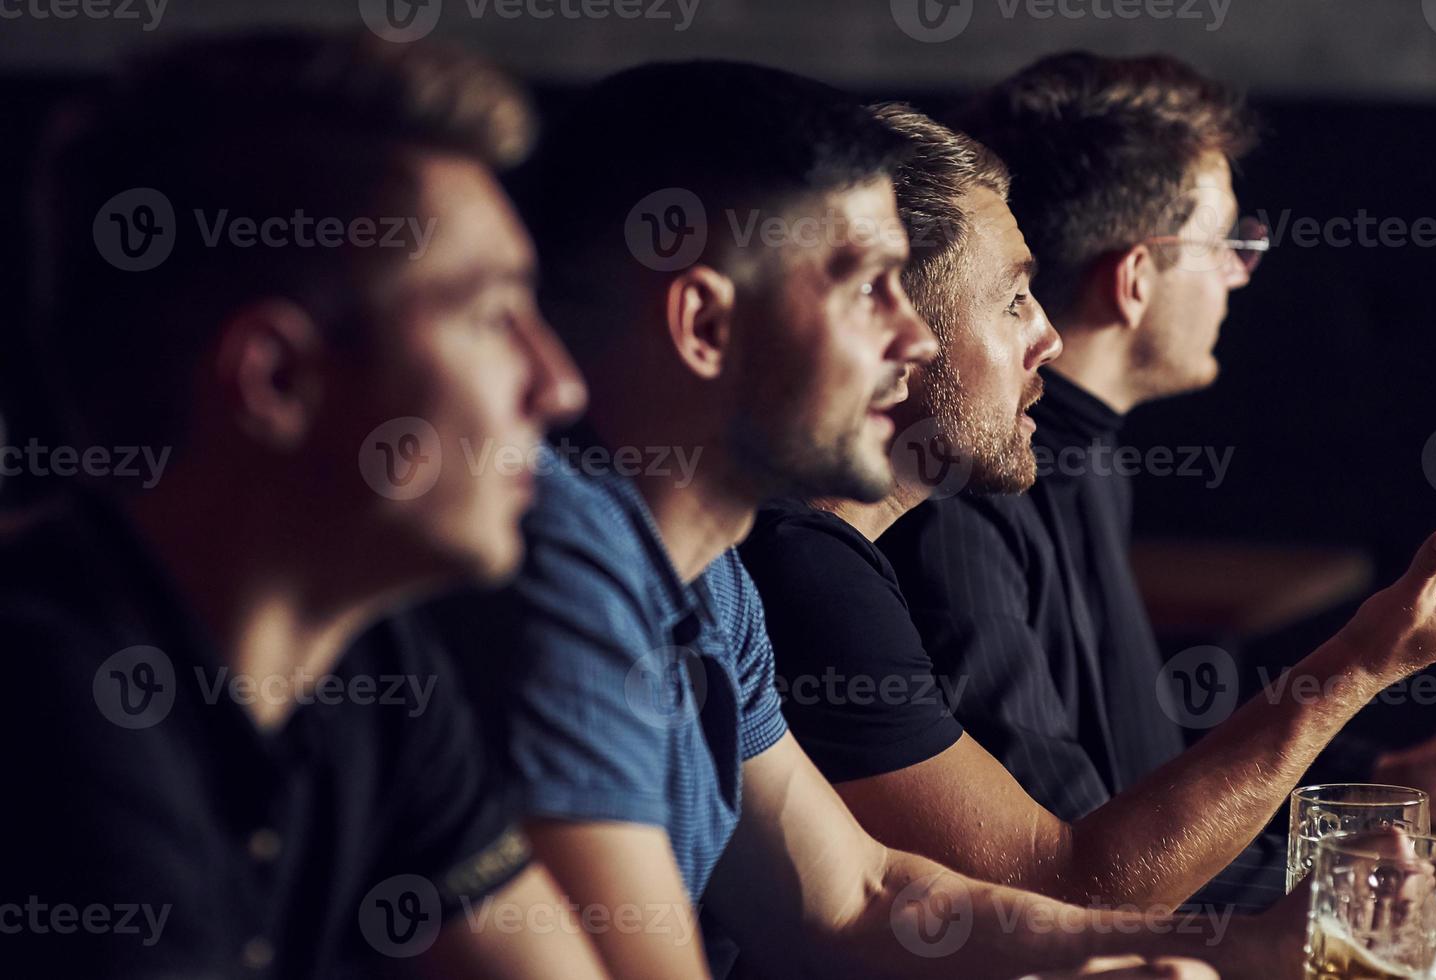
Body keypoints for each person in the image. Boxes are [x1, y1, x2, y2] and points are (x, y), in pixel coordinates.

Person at [431, 59, 1299, 979]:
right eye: (866, 286)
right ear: (705, 328)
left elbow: (860, 900)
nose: (914, 335)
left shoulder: (715, 582)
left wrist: (1235, 946)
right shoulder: (566, 556)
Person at [740, 103, 1436, 937]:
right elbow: (1074, 881)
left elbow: (1098, 805)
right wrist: (1369, 681)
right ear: (888, 330)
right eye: (1012, 301)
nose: (1047, 337)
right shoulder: (824, 558)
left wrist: (1363, 778)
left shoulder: (868, 538)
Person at [1, 30, 606, 979]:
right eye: (493, 317)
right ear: (276, 379)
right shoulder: (43, 716)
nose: (558, 386)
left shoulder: (371, 666)